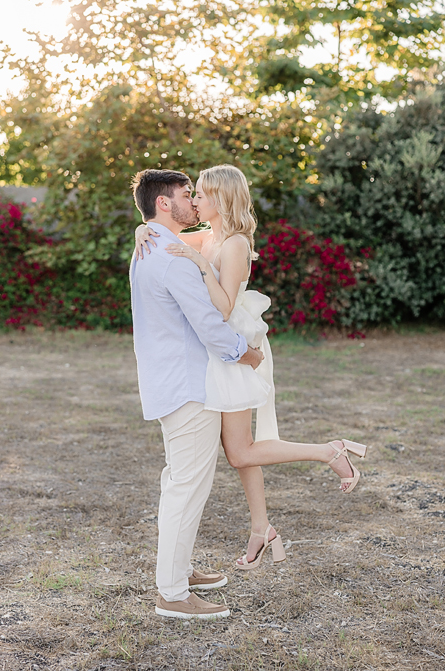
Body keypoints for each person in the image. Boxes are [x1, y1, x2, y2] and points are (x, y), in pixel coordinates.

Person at [134, 164, 368, 570]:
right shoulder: (208, 235)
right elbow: (162, 231)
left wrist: (198, 262)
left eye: (201, 194)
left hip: (237, 348)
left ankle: (329, 452)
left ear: (221, 198)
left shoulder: (236, 244)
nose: (194, 200)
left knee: (240, 452)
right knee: (240, 450)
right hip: (219, 353)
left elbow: (222, 308)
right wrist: (143, 230)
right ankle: (262, 528)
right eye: (192, 194)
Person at [129, 168, 265, 620]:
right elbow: (209, 322)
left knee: (182, 482)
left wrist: (140, 228)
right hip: (187, 385)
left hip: (172, 381)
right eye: (186, 195)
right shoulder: (166, 254)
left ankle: (180, 570)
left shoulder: (154, 244)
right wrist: (243, 354)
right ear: (164, 203)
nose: (193, 201)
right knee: (186, 486)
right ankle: (171, 593)